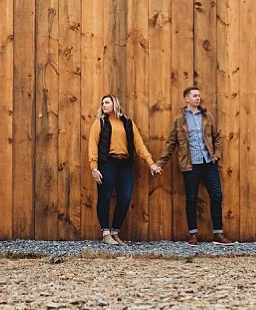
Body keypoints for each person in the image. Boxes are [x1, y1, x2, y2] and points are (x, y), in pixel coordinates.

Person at [156, 85, 235, 245]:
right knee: (191, 198)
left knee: (216, 196)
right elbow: (171, 143)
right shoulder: (179, 121)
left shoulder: (207, 117)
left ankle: (218, 234)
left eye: (199, 95)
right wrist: (160, 163)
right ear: (186, 99)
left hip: (208, 163)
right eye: (194, 96)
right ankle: (193, 234)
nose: (198, 98)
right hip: (190, 165)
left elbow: (217, 137)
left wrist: (216, 156)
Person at [88, 94, 161, 246]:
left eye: (107, 102)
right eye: (102, 103)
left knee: (125, 197)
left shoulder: (127, 123)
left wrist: (151, 163)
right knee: (105, 197)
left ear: (115, 103)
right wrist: (94, 168)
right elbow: (92, 146)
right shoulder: (100, 122)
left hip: (124, 165)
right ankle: (106, 234)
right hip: (107, 163)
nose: (104, 105)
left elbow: (139, 145)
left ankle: (115, 232)